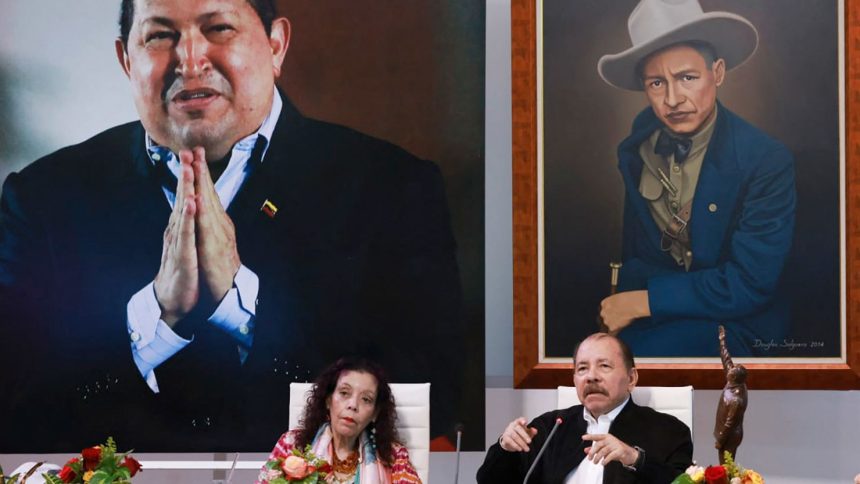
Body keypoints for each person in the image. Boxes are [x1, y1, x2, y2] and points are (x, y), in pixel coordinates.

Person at [0, 0, 463, 452]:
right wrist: (155, 316)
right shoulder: (41, 198)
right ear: (126, 59)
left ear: (276, 45)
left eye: (218, 28)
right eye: (160, 35)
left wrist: (240, 308)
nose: (191, 59)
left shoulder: (391, 186)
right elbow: (15, 412)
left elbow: (430, 401)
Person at [596, 0, 796, 356]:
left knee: (637, 364)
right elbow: (635, 254)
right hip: (658, 314)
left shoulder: (766, 159)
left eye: (687, 77)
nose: (673, 99)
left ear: (717, 73)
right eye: (657, 83)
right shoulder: (637, 148)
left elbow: (749, 284)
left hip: (738, 320)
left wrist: (645, 301)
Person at [477, 333, 692, 483]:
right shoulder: (550, 428)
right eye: (582, 368)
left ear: (631, 378)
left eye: (604, 366)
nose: (591, 376)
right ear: (574, 380)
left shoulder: (669, 432)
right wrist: (505, 448)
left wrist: (635, 459)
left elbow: (684, 481)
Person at [256, 357, 421, 484]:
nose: (353, 405)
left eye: (366, 399)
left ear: (375, 414)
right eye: (344, 393)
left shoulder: (394, 456)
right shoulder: (292, 444)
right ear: (328, 400)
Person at [714, 325, 747, 464]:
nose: (728, 370)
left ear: (734, 378)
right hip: (724, 433)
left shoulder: (737, 399)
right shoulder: (734, 381)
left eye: (731, 372)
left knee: (726, 465)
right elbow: (726, 359)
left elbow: (729, 422)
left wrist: (720, 440)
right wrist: (722, 341)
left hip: (730, 437)